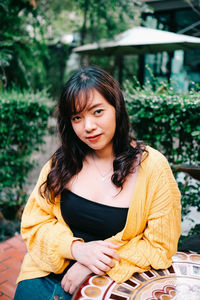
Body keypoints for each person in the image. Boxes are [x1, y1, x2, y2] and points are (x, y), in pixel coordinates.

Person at [14, 66, 181, 300]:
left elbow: (159, 246)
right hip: (43, 276)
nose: (88, 126)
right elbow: (34, 224)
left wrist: (93, 264)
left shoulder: (152, 167)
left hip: (108, 285)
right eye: (77, 117)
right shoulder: (61, 163)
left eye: (97, 111)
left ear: (117, 108)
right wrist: (78, 250)